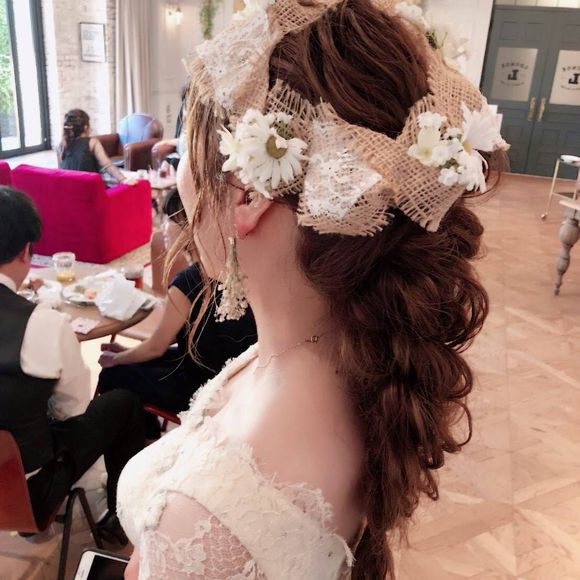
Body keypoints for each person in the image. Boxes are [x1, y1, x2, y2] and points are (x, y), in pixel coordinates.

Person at [117, 0, 508, 578]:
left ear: (248, 193)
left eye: (187, 151)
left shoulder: (203, 524)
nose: (181, 177)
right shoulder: (337, 348)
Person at [0, 186, 144, 544]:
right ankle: (119, 516)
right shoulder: (43, 323)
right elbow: (73, 411)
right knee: (123, 403)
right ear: (25, 252)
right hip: (27, 496)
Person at [96, 188, 257, 440]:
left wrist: (116, 359)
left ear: (190, 225)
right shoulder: (237, 266)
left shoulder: (188, 282)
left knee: (112, 374)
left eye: (169, 219)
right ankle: (146, 431)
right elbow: (176, 335)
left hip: (201, 388)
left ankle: (142, 441)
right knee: (137, 363)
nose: (162, 228)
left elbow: (155, 348)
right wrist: (127, 354)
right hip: (237, 381)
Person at [57, 109, 125, 184]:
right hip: (88, 188)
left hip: (68, 188)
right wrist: (124, 180)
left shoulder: (61, 145)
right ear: (86, 127)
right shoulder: (92, 142)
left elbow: (61, 172)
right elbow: (107, 166)